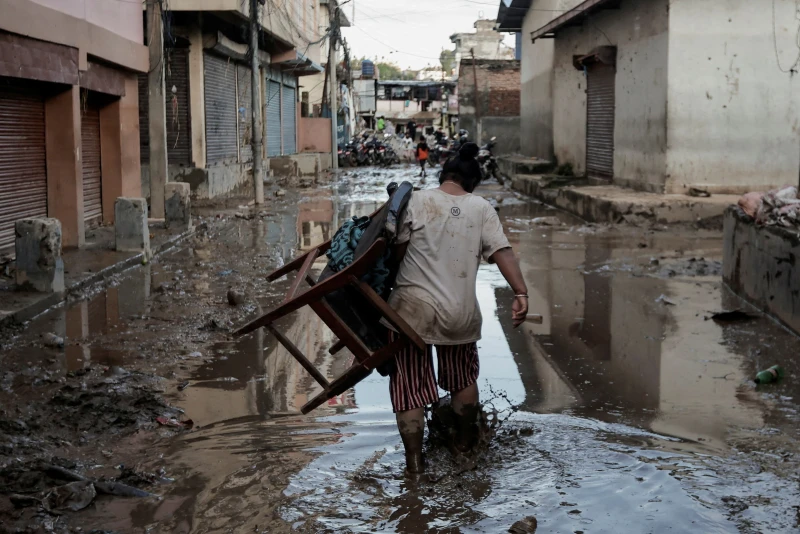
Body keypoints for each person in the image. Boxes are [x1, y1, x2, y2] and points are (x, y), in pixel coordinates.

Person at [386, 142, 528, 477]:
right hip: (459, 312)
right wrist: (521, 292)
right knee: (462, 378)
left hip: (409, 310)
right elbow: (502, 251)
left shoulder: (416, 200)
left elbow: (395, 254)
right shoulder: (480, 207)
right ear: (472, 184)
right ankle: (465, 446)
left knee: (410, 387)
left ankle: (415, 466)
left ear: (443, 175)